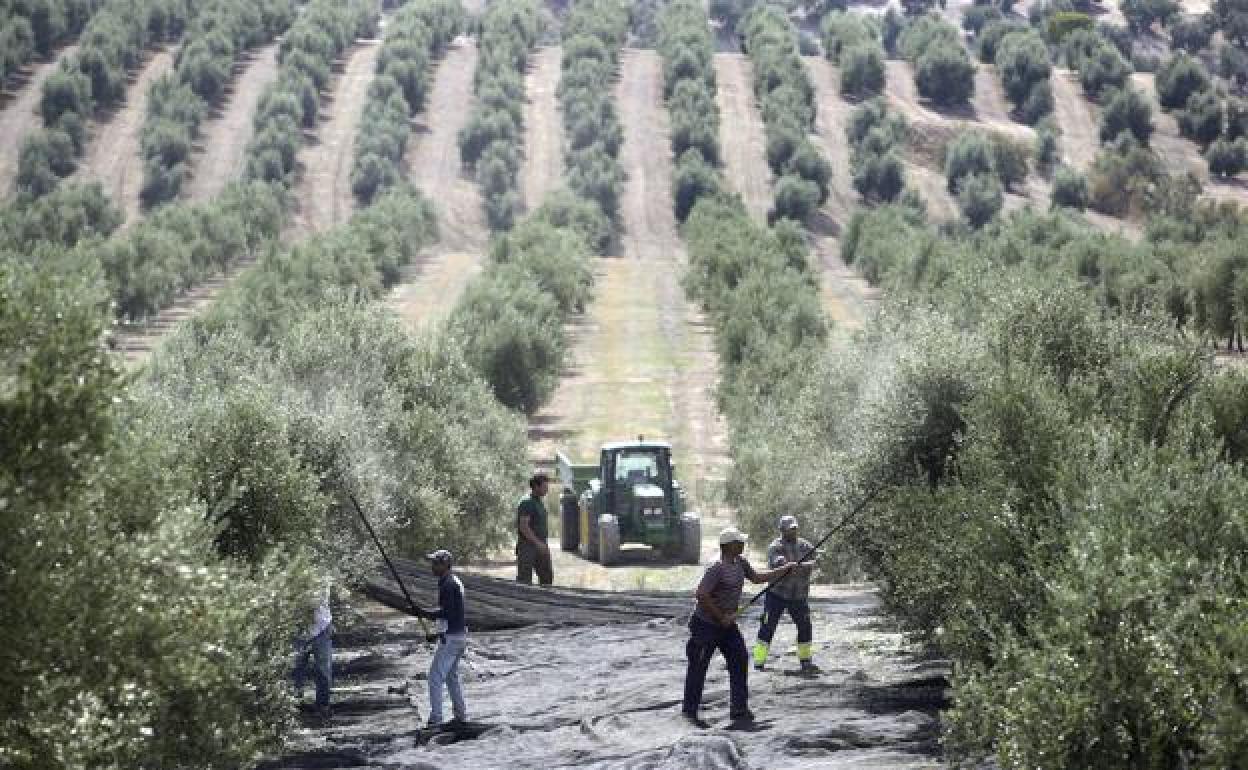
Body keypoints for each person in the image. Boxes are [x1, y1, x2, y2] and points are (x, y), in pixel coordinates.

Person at [682, 527, 795, 725]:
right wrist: (720, 616)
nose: (742, 545)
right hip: (705, 626)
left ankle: (739, 709)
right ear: (729, 546)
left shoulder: (740, 563)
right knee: (698, 667)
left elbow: (757, 578)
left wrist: (783, 571)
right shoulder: (716, 568)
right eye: (739, 542)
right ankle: (690, 712)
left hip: (727, 627)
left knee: (739, 659)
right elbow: (701, 594)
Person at [410, 549, 469, 728]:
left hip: (452, 639)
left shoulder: (448, 585)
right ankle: (460, 716)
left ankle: (436, 719)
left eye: (436, 563)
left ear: (445, 565)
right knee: (451, 677)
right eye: (433, 562)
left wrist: (424, 612)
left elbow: (448, 613)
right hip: (458, 636)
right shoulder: (452, 581)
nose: (432, 566)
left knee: (435, 677)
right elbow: (452, 614)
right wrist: (436, 634)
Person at [753, 515, 818, 674]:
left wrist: (802, 566)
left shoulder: (805, 545)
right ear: (782, 530)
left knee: (805, 627)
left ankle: (805, 660)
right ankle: (758, 661)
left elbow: (817, 560)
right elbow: (778, 561)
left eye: (795, 528)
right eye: (790, 529)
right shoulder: (775, 546)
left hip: (799, 596)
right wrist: (787, 565)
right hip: (777, 595)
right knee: (767, 627)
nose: (793, 531)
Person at [292, 579, 333, 720]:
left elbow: (315, 600)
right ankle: (295, 706)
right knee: (295, 670)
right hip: (297, 629)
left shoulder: (322, 572)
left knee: (323, 670)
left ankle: (322, 707)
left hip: (321, 627)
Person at [516, 471, 553, 586]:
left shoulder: (538, 502)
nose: (547, 489)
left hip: (540, 544)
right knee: (524, 580)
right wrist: (538, 543)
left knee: (546, 577)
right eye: (544, 486)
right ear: (536, 486)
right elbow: (524, 526)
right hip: (528, 547)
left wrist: (543, 544)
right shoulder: (527, 502)